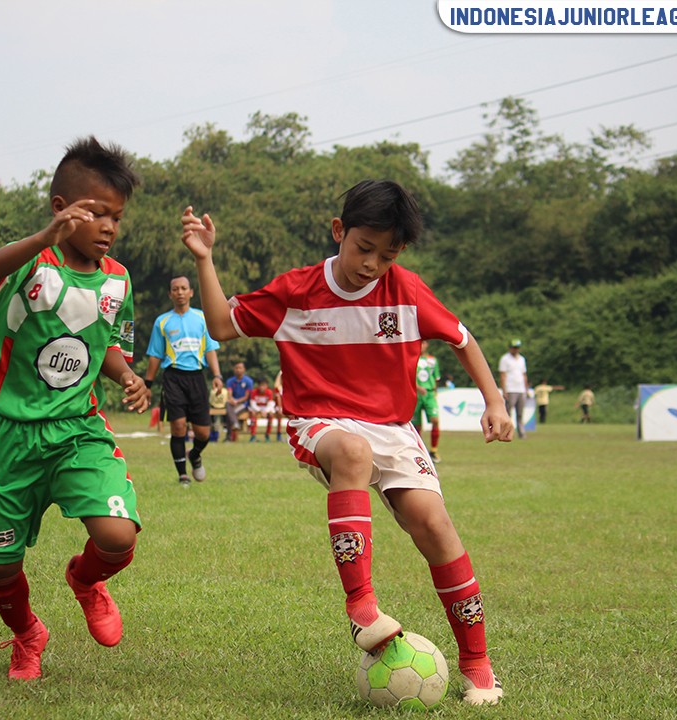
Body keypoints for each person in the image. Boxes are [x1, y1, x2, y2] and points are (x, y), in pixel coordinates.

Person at [180, 179, 512, 706]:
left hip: (395, 428)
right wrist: (205, 258)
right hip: (323, 421)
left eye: (387, 254)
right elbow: (220, 325)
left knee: (434, 525)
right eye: (363, 248)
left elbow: (462, 339)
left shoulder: (407, 290)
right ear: (339, 231)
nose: (372, 264)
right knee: (353, 454)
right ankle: (362, 607)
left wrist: (494, 401)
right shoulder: (296, 292)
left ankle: (478, 665)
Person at [0, 136, 150, 681]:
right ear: (60, 209)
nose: (109, 227)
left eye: (116, 217)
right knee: (0, 567)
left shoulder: (117, 279)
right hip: (8, 436)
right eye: (96, 213)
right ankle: (28, 634)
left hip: (77, 429)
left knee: (118, 537)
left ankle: (85, 580)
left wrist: (126, 375)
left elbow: (109, 343)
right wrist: (42, 239)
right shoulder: (29, 267)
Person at [144, 276, 223, 486]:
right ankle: (182, 475)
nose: (179, 292)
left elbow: (210, 350)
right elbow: (155, 355)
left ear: (191, 293)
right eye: (175, 289)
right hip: (173, 377)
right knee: (178, 426)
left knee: (203, 433)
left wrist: (217, 376)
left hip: (197, 377)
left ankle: (195, 455)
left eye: (183, 288)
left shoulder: (202, 318)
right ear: (170, 294)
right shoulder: (162, 322)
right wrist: (147, 385)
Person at [412, 340, 442, 462]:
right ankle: (418, 451)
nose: (421, 345)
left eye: (424, 343)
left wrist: (434, 391)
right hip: (415, 394)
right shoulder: (411, 358)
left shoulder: (432, 360)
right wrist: (418, 387)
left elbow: (436, 378)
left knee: (435, 420)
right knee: (417, 425)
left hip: (429, 394)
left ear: (427, 344)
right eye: (420, 343)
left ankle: (434, 450)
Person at [498, 339, 529, 439]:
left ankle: (521, 433)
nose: (516, 350)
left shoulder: (522, 359)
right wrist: (504, 390)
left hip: (521, 389)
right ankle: (506, 432)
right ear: (510, 348)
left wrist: (526, 388)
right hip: (510, 388)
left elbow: (524, 375)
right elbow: (503, 375)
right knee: (508, 412)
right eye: (514, 348)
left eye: (517, 348)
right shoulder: (505, 359)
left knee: (520, 414)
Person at [225, 361, 253, 442]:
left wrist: (237, 401)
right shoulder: (230, 381)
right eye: (236, 368)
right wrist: (232, 399)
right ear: (234, 369)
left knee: (230, 414)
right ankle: (235, 425)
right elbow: (229, 394)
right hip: (232, 403)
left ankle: (229, 437)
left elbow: (246, 397)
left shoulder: (248, 381)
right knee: (228, 404)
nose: (238, 370)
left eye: (240, 368)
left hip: (243, 404)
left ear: (244, 369)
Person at [247, 377, 278, 442]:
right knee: (253, 414)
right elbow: (252, 404)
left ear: (266, 386)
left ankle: (267, 435)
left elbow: (270, 404)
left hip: (266, 408)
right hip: (256, 408)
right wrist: (260, 411)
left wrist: (266, 411)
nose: (262, 387)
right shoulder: (254, 392)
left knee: (271, 415)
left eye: (263, 385)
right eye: (260, 385)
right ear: (258, 386)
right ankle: (253, 435)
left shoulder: (269, 392)